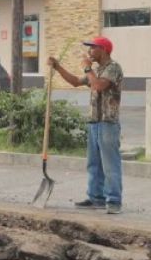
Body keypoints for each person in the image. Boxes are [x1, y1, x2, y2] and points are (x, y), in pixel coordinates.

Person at [48, 36, 125, 214]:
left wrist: (87, 67)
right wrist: (58, 67)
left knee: (110, 164)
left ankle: (114, 201)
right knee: (94, 164)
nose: (89, 51)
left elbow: (98, 86)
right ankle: (95, 198)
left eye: (93, 47)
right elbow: (76, 81)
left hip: (108, 123)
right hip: (94, 121)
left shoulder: (113, 68)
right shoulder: (97, 70)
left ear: (104, 50)